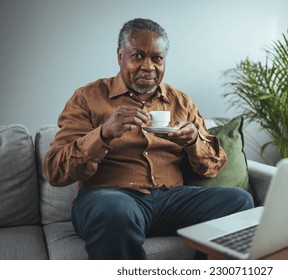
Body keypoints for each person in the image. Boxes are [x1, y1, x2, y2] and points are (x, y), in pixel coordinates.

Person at [44, 18, 254, 260]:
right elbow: (54, 170)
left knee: (239, 201)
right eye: (137, 56)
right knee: (115, 210)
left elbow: (213, 166)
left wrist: (193, 141)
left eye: (157, 58)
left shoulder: (181, 102)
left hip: (170, 201)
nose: (148, 67)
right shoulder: (87, 98)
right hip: (111, 198)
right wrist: (104, 133)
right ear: (120, 55)